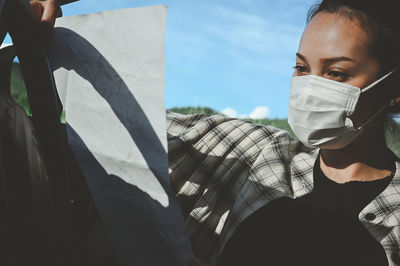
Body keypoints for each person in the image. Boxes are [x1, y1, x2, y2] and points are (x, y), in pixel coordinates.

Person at [171, 0, 400, 265]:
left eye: (336, 73)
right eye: (302, 68)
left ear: (393, 90)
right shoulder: (256, 152)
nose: (310, 87)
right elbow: (143, 128)